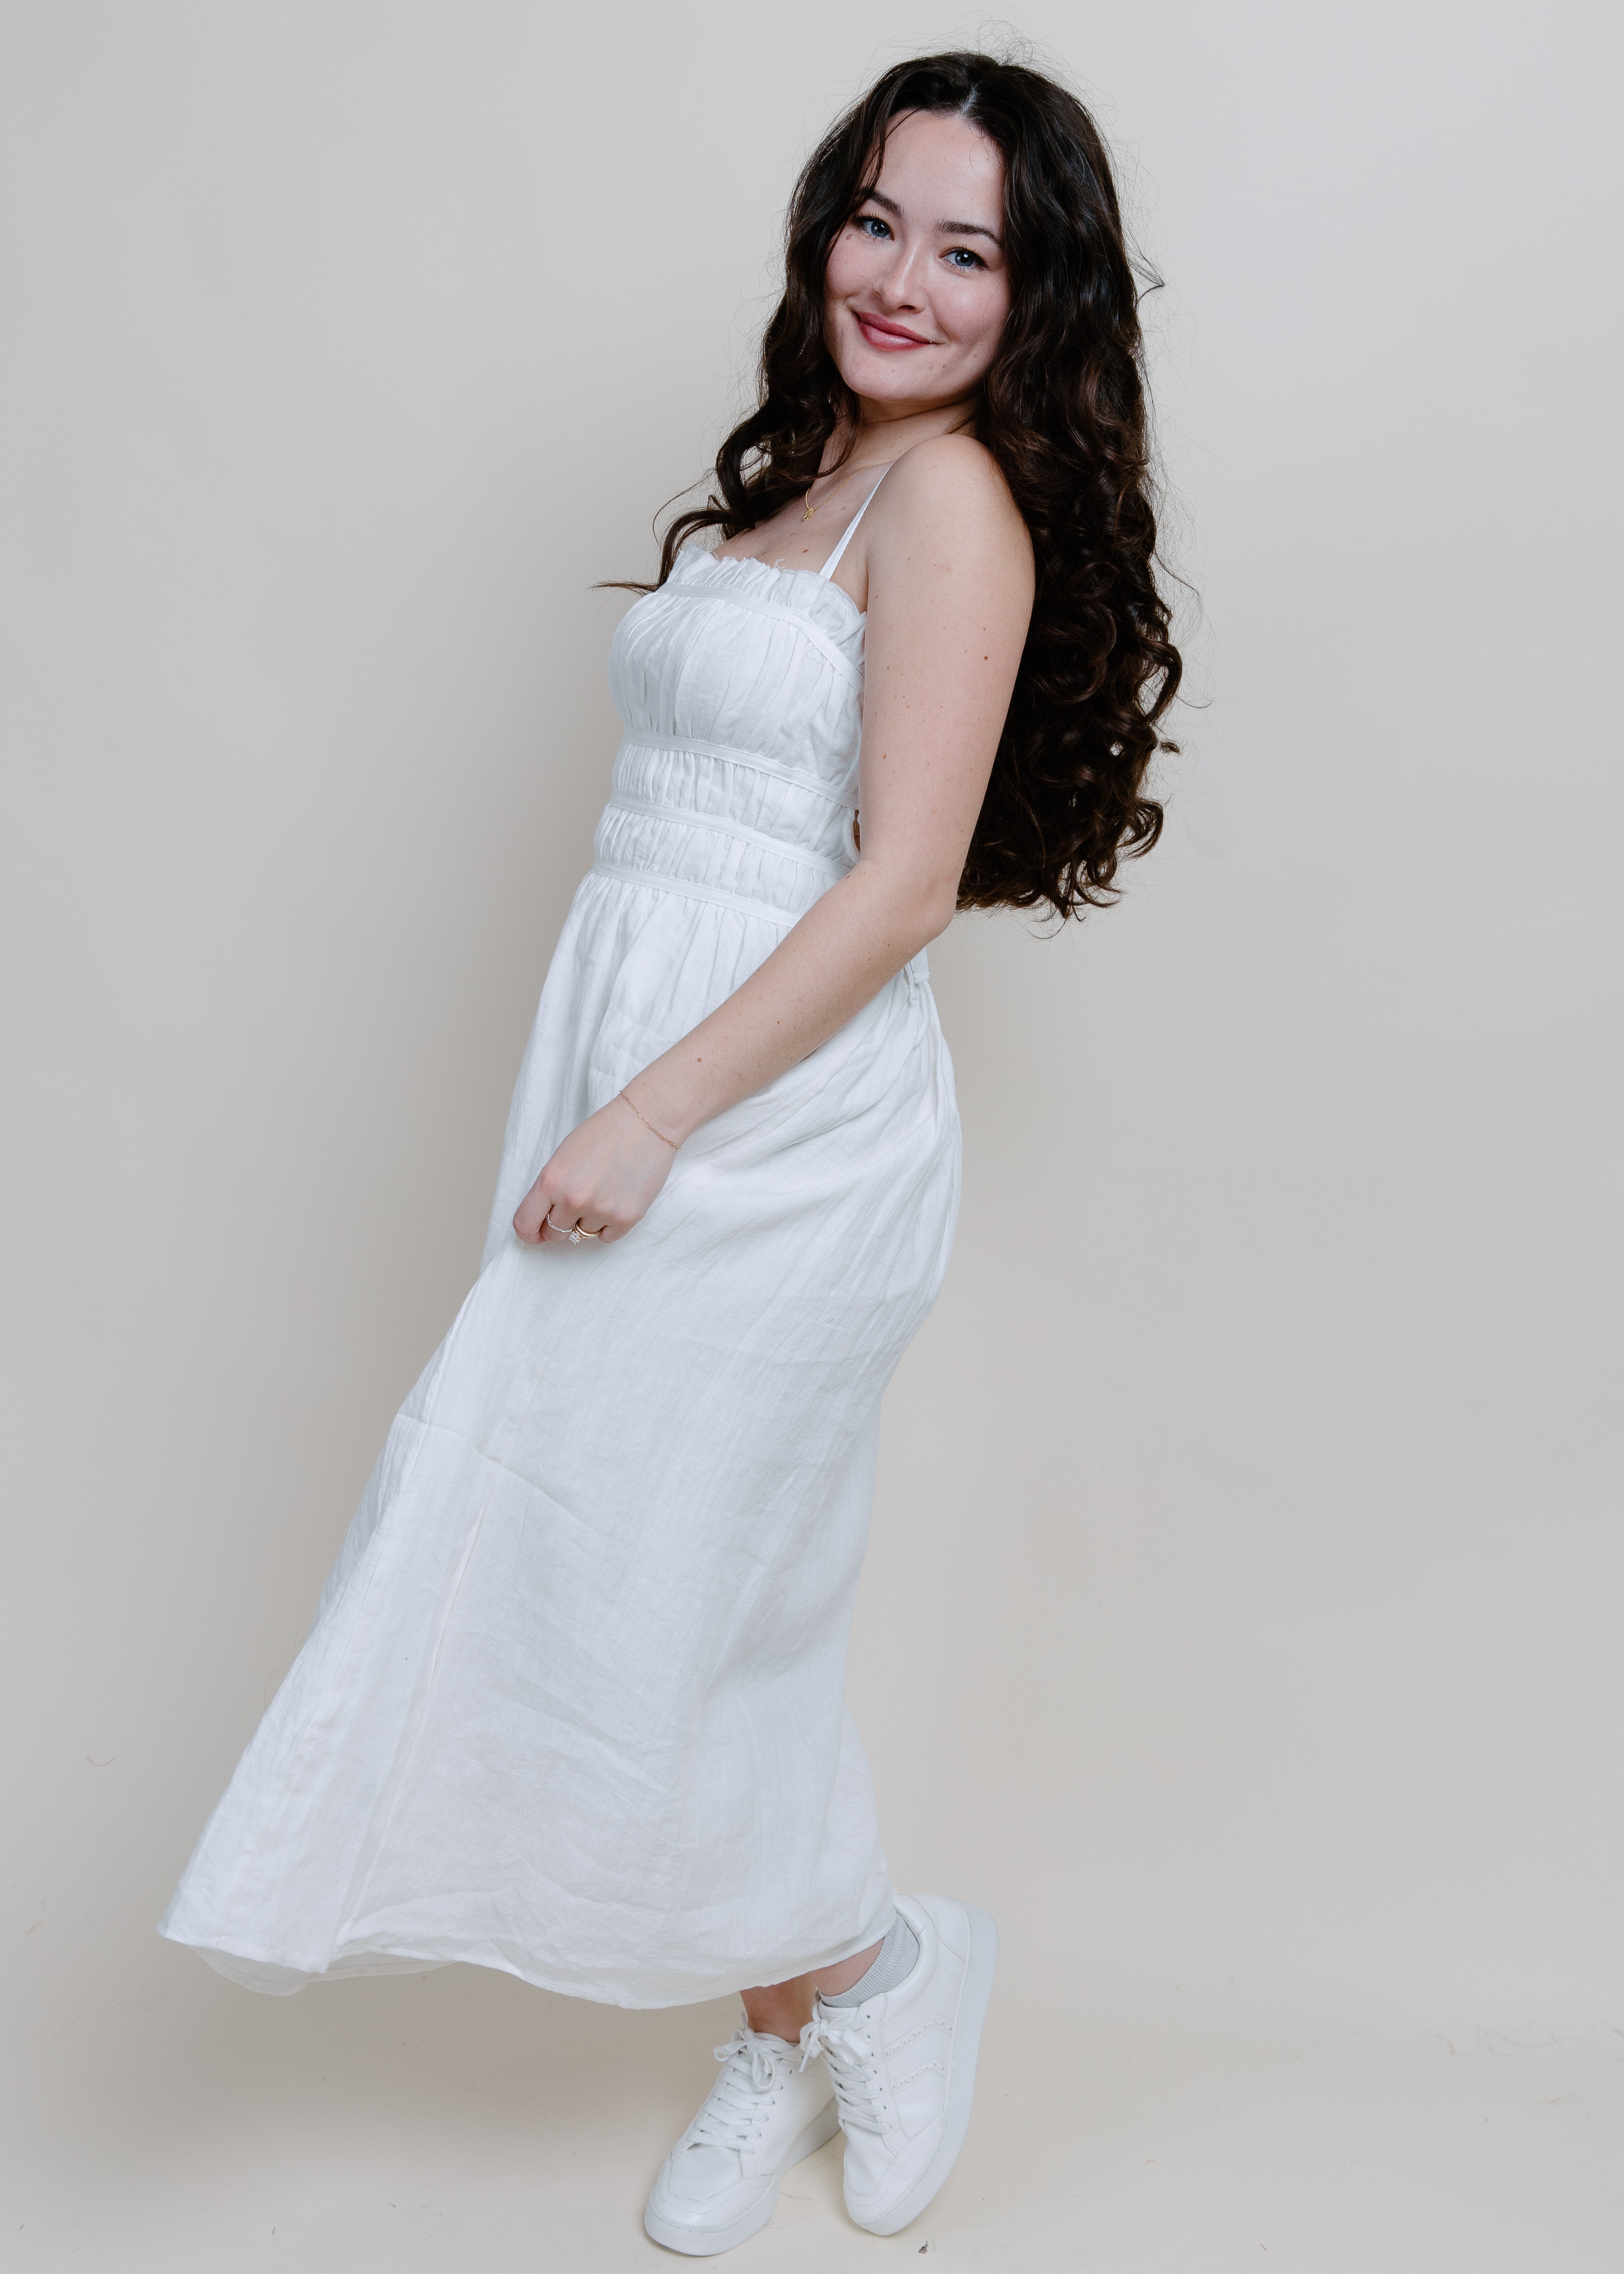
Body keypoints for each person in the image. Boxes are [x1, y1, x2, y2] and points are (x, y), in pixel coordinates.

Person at [158, 48, 1181, 2257]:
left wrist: (651, 1111)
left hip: (772, 1123)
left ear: (1039, 299)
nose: (902, 279)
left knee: (667, 1598)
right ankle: (809, 2003)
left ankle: (868, 1971)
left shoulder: (952, 501)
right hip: (646, 1063)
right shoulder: (815, 474)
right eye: (877, 220)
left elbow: (902, 884)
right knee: (658, 1597)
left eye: (970, 250)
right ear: (826, 225)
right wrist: (610, 1087)